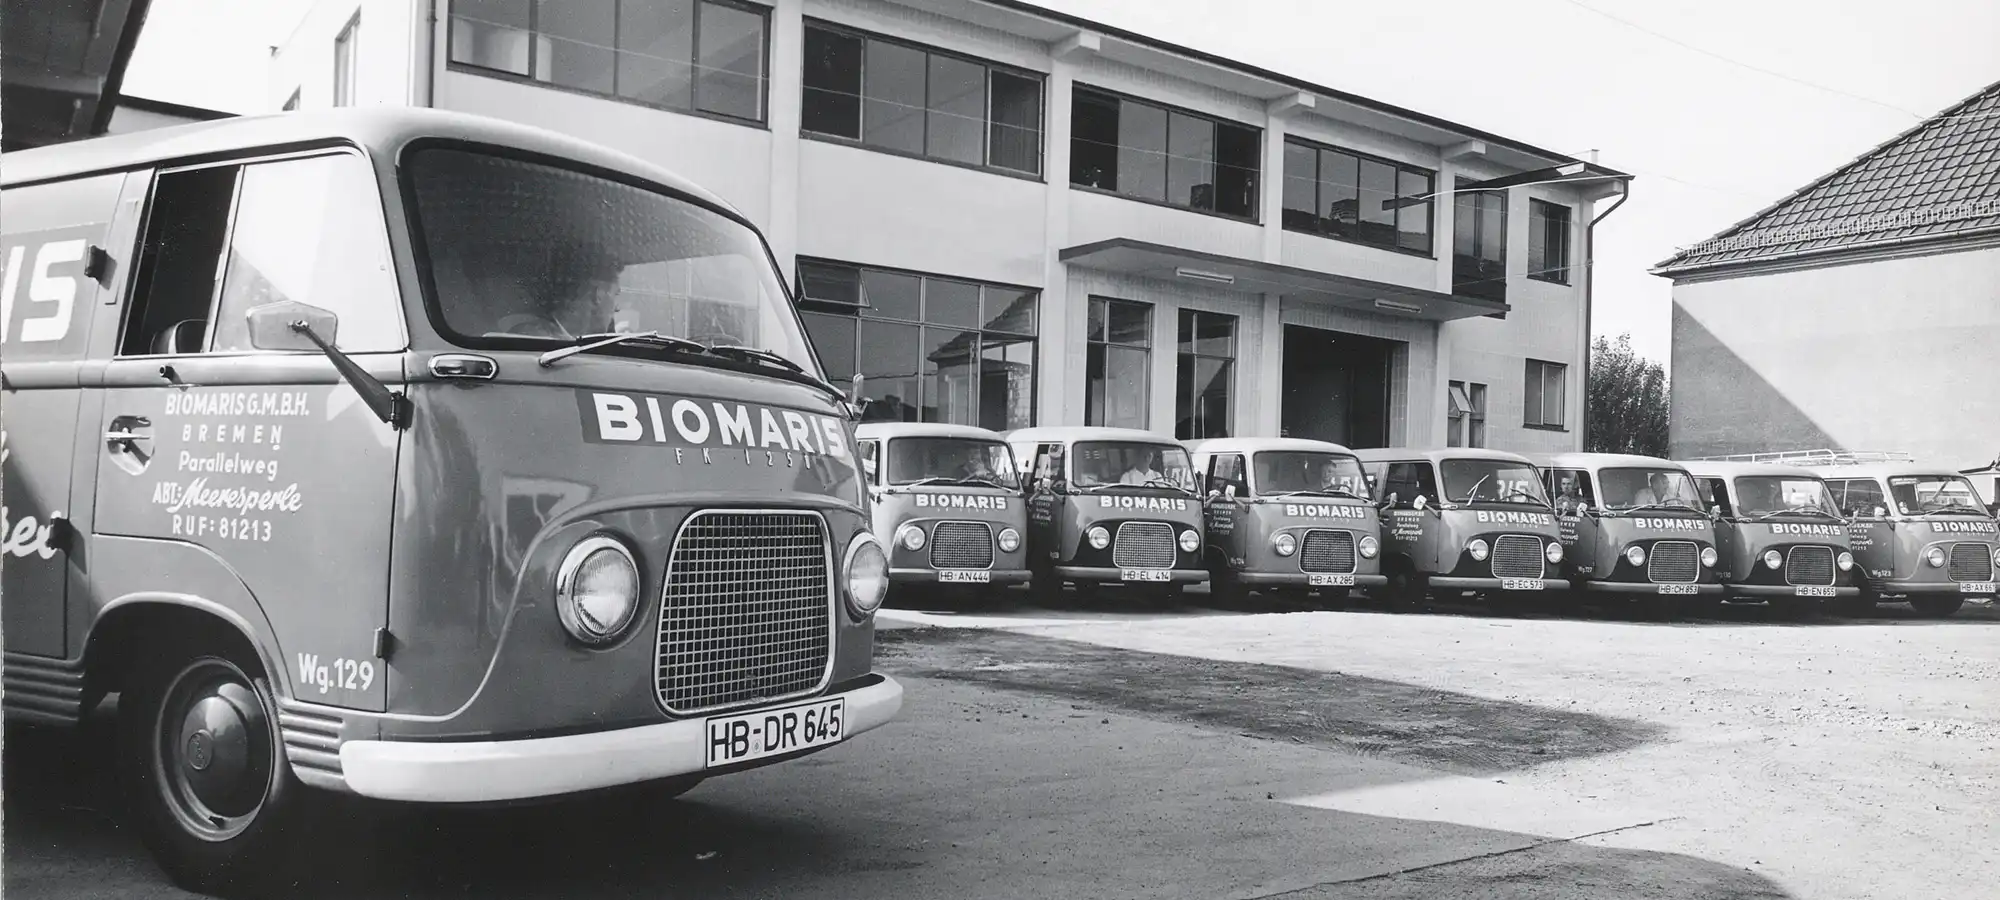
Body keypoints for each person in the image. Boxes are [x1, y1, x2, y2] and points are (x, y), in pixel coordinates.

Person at [494, 242, 623, 339]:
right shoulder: (539, 343)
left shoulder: (525, 335)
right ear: (598, 294)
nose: (617, 308)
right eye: (615, 294)